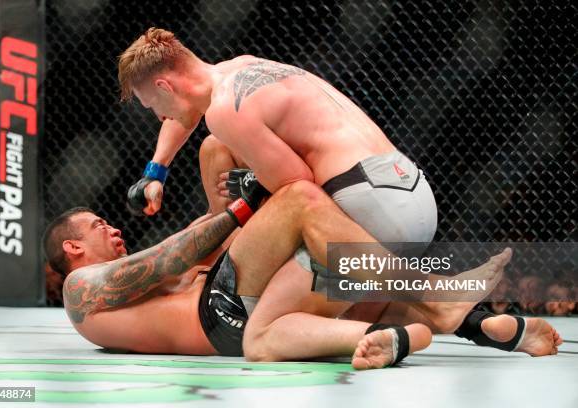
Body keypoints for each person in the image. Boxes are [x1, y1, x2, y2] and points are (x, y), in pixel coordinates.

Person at [45, 178, 559, 368]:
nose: (111, 228)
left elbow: (203, 241)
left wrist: (228, 184)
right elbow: (170, 257)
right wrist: (245, 208)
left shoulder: (140, 288)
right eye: (98, 225)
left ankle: (483, 327)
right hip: (219, 315)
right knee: (300, 200)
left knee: (348, 270)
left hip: (243, 310)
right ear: (73, 246)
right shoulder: (80, 291)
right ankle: (444, 303)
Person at [119, 28, 437, 252]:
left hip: (378, 215)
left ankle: (449, 305)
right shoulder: (243, 66)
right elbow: (182, 117)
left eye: (152, 106)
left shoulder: (224, 111)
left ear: (164, 86)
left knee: (258, 294)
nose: (160, 117)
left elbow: (298, 189)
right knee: (215, 148)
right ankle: (462, 310)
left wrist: (251, 192)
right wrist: (154, 172)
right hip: (412, 191)